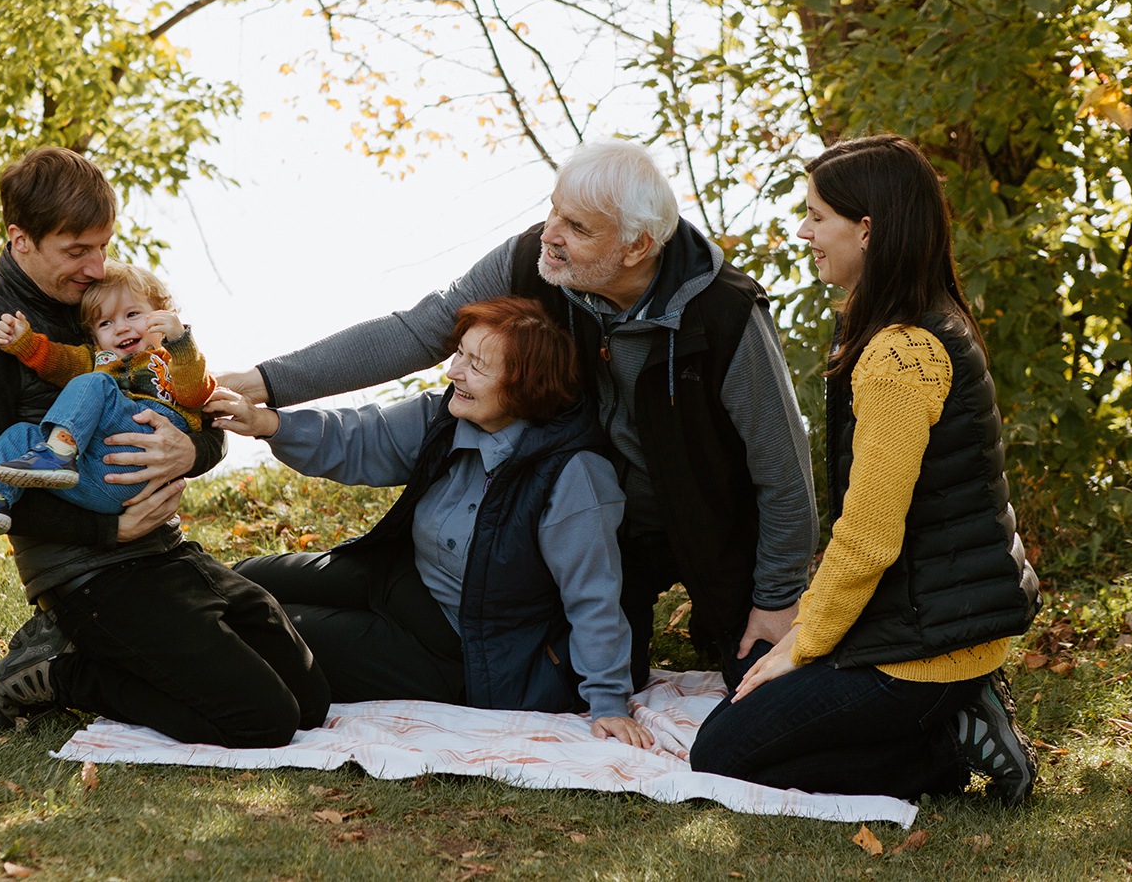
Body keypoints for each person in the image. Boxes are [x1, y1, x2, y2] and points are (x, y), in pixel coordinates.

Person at [217, 140, 819, 690]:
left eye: (576, 227)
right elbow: (416, 330)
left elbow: (784, 473)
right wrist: (268, 383)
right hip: (565, 512)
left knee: (753, 678)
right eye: (553, 210)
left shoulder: (725, 316)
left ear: (636, 246)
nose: (548, 234)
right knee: (252, 586)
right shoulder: (533, 260)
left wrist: (776, 596)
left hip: (697, 523)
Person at [0, 146, 328, 746]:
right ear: (20, 241)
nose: (95, 266)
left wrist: (190, 452)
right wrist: (107, 533)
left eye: (102, 246)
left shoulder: (111, 304)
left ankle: (113, 648)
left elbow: (197, 409)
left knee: (310, 702)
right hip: (90, 570)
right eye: (76, 251)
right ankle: (62, 673)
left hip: (167, 549)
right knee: (263, 721)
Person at [688, 134, 1041, 804]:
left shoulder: (899, 356)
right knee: (748, 702)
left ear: (868, 229)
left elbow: (870, 534)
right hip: (933, 628)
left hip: (923, 652)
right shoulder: (923, 324)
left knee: (721, 754)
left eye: (818, 215)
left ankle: (946, 746)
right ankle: (953, 714)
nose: (804, 230)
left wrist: (803, 641)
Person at [208, 297, 652, 747]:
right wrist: (266, 422)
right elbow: (360, 438)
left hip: (462, 647)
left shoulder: (573, 476)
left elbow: (593, 596)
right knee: (241, 581)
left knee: (267, 628)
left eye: (476, 365)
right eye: (460, 353)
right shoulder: (448, 415)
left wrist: (609, 703)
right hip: (403, 579)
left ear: (524, 387)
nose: (454, 371)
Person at [0, 261, 215, 535]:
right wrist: (25, 343)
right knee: (21, 435)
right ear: (94, 336)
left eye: (132, 315)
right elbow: (58, 361)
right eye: (105, 323)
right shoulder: (98, 361)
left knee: (98, 382)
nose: (121, 328)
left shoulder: (172, 360)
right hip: (95, 482)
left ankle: (59, 452)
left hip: (146, 459)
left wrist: (180, 341)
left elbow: (196, 393)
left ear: (162, 316)